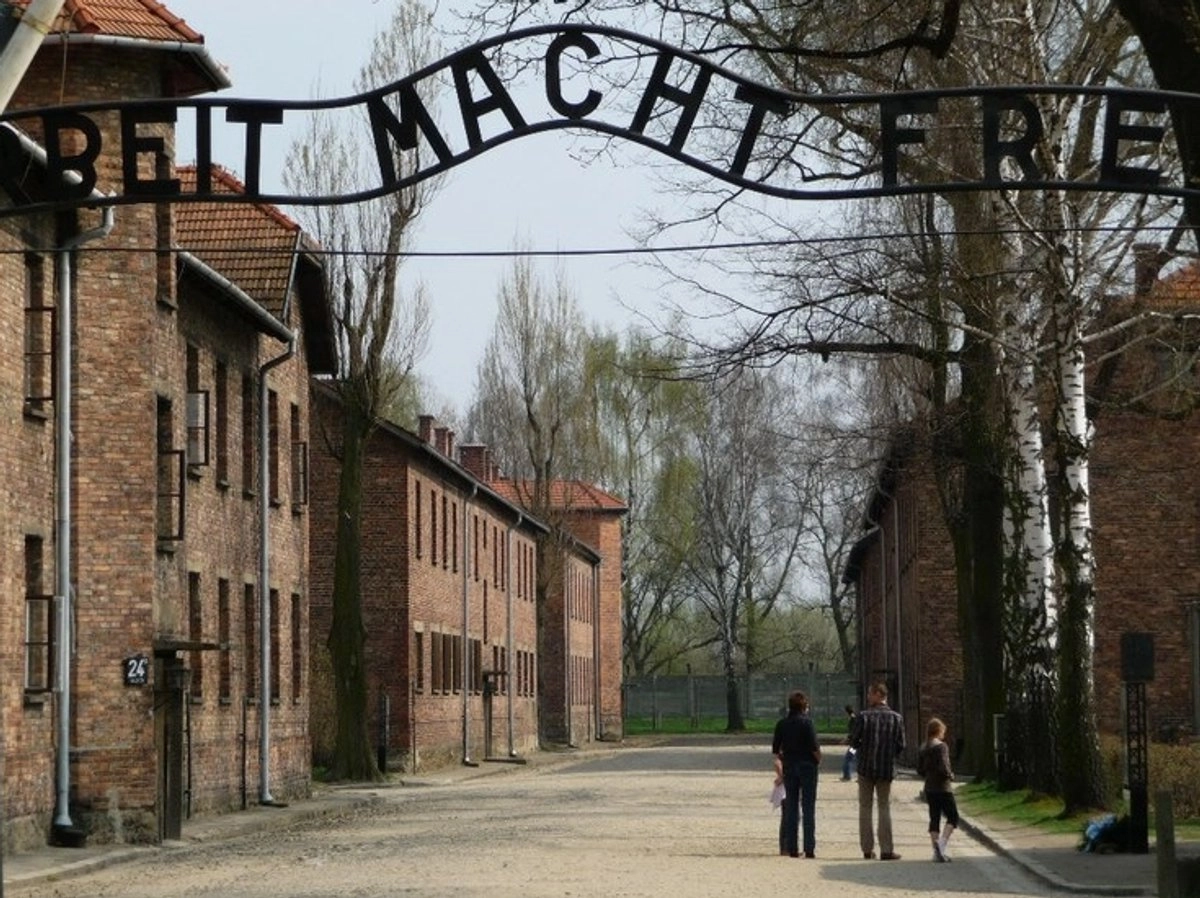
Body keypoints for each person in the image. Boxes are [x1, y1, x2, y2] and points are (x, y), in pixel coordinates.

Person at [850, 681, 905, 861]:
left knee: (865, 808)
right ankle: (886, 849)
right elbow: (901, 745)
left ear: (878, 694)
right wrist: (890, 756)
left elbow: (854, 741)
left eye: (870, 693)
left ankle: (867, 848)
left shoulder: (863, 717)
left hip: (865, 768)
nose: (868, 697)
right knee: (884, 807)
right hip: (886, 768)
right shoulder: (896, 718)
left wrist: (859, 751)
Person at [771, 690, 821, 858]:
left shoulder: (782, 724)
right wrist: (818, 759)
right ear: (804, 706)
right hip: (807, 765)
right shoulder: (807, 723)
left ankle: (792, 847)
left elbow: (776, 749)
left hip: (790, 766)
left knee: (791, 807)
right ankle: (809, 848)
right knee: (808, 807)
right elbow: (814, 747)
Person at [917, 717, 959, 862]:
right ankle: (941, 846)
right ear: (939, 731)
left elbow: (920, 769)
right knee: (953, 817)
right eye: (943, 731)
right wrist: (950, 775)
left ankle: (936, 852)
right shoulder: (941, 747)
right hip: (943, 787)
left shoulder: (923, 747)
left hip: (929, 787)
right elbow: (944, 766)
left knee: (934, 818)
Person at [842, 704, 857, 781]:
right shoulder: (854, 718)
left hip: (854, 744)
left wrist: (847, 738)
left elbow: (853, 732)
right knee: (857, 759)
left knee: (848, 758)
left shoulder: (853, 719)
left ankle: (847, 775)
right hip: (856, 743)